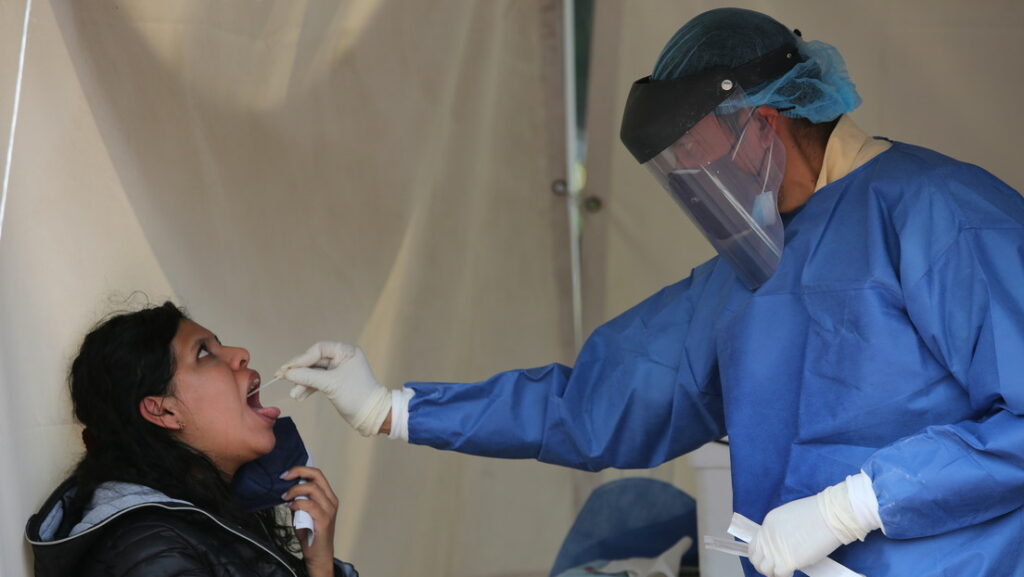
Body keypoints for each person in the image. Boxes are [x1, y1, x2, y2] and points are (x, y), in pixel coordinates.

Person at [278, 8, 1024, 577]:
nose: (698, 188)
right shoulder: (751, 272)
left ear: (765, 124)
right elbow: (597, 403)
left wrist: (854, 505)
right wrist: (392, 409)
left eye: (703, 161)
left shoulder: (943, 215)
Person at [25, 302, 358, 577]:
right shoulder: (151, 550)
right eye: (203, 353)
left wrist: (320, 564)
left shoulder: (208, 519)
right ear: (165, 411)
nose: (241, 354)